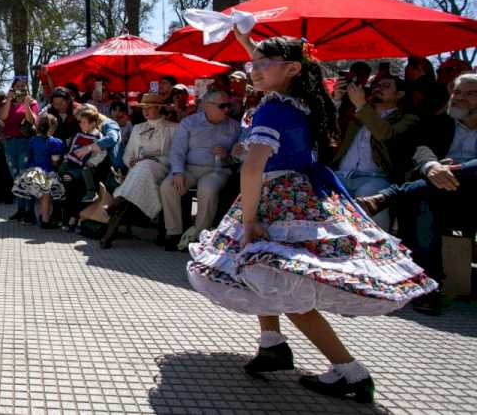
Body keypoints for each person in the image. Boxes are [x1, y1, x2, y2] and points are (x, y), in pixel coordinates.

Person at [187, 33, 436, 403]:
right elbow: (269, 63)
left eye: (262, 64)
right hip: (297, 193)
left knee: (285, 284)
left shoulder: (272, 109)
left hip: (277, 197)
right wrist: (244, 35)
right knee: (261, 271)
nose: (253, 69)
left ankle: (350, 370)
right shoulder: (297, 102)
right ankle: (272, 344)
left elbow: (253, 168)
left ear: (291, 69)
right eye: (251, 63)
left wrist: (250, 217)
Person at [354, 73, 477, 316]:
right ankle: (429, 287)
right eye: (457, 93)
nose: (460, 98)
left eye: (470, 93)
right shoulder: (438, 123)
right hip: (439, 192)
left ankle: (391, 195)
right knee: (426, 201)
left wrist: (454, 170)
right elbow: (421, 149)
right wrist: (433, 167)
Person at [330, 75, 418, 228]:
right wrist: (337, 98)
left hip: (375, 179)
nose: (378, 88)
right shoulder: (357, 113)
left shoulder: (408, 119)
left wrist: (362, 106)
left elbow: (386, 135)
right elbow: (331, 127)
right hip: (341, 175)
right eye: (376, 85)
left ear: (399, 94)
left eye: (385, 86)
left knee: (372, 200)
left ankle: (381, 249)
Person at [159, 90, 240, 249]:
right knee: (168, 187)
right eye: (222, 106)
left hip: (217, 170)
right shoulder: (189, 123)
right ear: (206, 106)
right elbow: (177, 151)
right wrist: (177, 172)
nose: (226, 110)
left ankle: (198, 236)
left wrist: (227, 155)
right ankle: (174, 232)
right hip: (190, 168)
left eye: (228, 106)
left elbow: (239, 157)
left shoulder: (235, 127)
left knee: (207, 190)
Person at [103, 93, 179, 249]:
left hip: (161, 167)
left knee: (145, 166)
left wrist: (153, 159)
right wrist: (130, 162)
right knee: (141, 168)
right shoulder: (137, 128)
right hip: (138, 170)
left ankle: (117, 201)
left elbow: (176, 155)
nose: (145, 111)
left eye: (149, 108)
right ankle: (121, 203)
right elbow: (127, 154)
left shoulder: (173, 128)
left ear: (159, 108)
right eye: (143, 108)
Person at [60, 104, 121, 231]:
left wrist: (88, 150)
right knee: (70, 186)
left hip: (107, 170)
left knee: (79, 188)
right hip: (83, 167)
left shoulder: (108, 125)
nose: (80, 124)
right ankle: (72, 219)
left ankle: (77, 220)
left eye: (82, 121)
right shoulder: (83, 131)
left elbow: (111, 140)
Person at [11, 113, 66, 229]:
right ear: (52, 127)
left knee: (40, 197)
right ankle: (45, 220)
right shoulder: (55, 142)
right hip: (47, 172)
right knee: (46, 197)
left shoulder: (32, 140)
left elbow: (29, 156)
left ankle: (38, 216)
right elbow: (55, 161)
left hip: (33, 172)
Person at [1, 76, 39, 221]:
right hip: (10, 143)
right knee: (16, 177)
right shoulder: (7, 102)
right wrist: (9, 100)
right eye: (18, 86)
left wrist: (27, 105)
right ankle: (20, 209)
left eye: (23, 86)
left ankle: (29, 211)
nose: (20, 89)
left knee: (25, 176)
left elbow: (32, 121)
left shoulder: (32, 102)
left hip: (25, 142)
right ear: (12, 88)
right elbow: (3, 117)